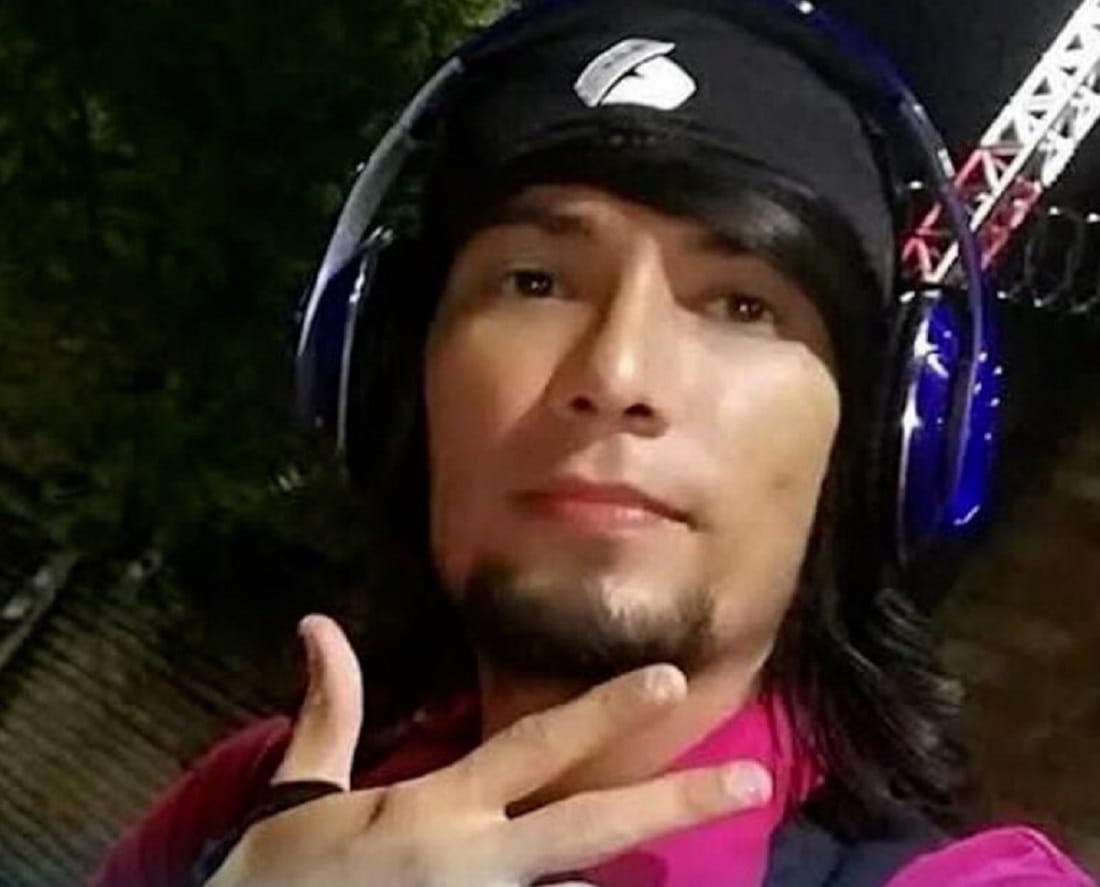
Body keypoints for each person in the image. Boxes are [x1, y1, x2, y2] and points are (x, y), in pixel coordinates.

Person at [91, 1, 1096, 885]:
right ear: (394, 373)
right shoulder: (244, 813)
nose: (615, 374)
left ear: (874, 444)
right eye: (535, 282)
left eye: (742, 305)